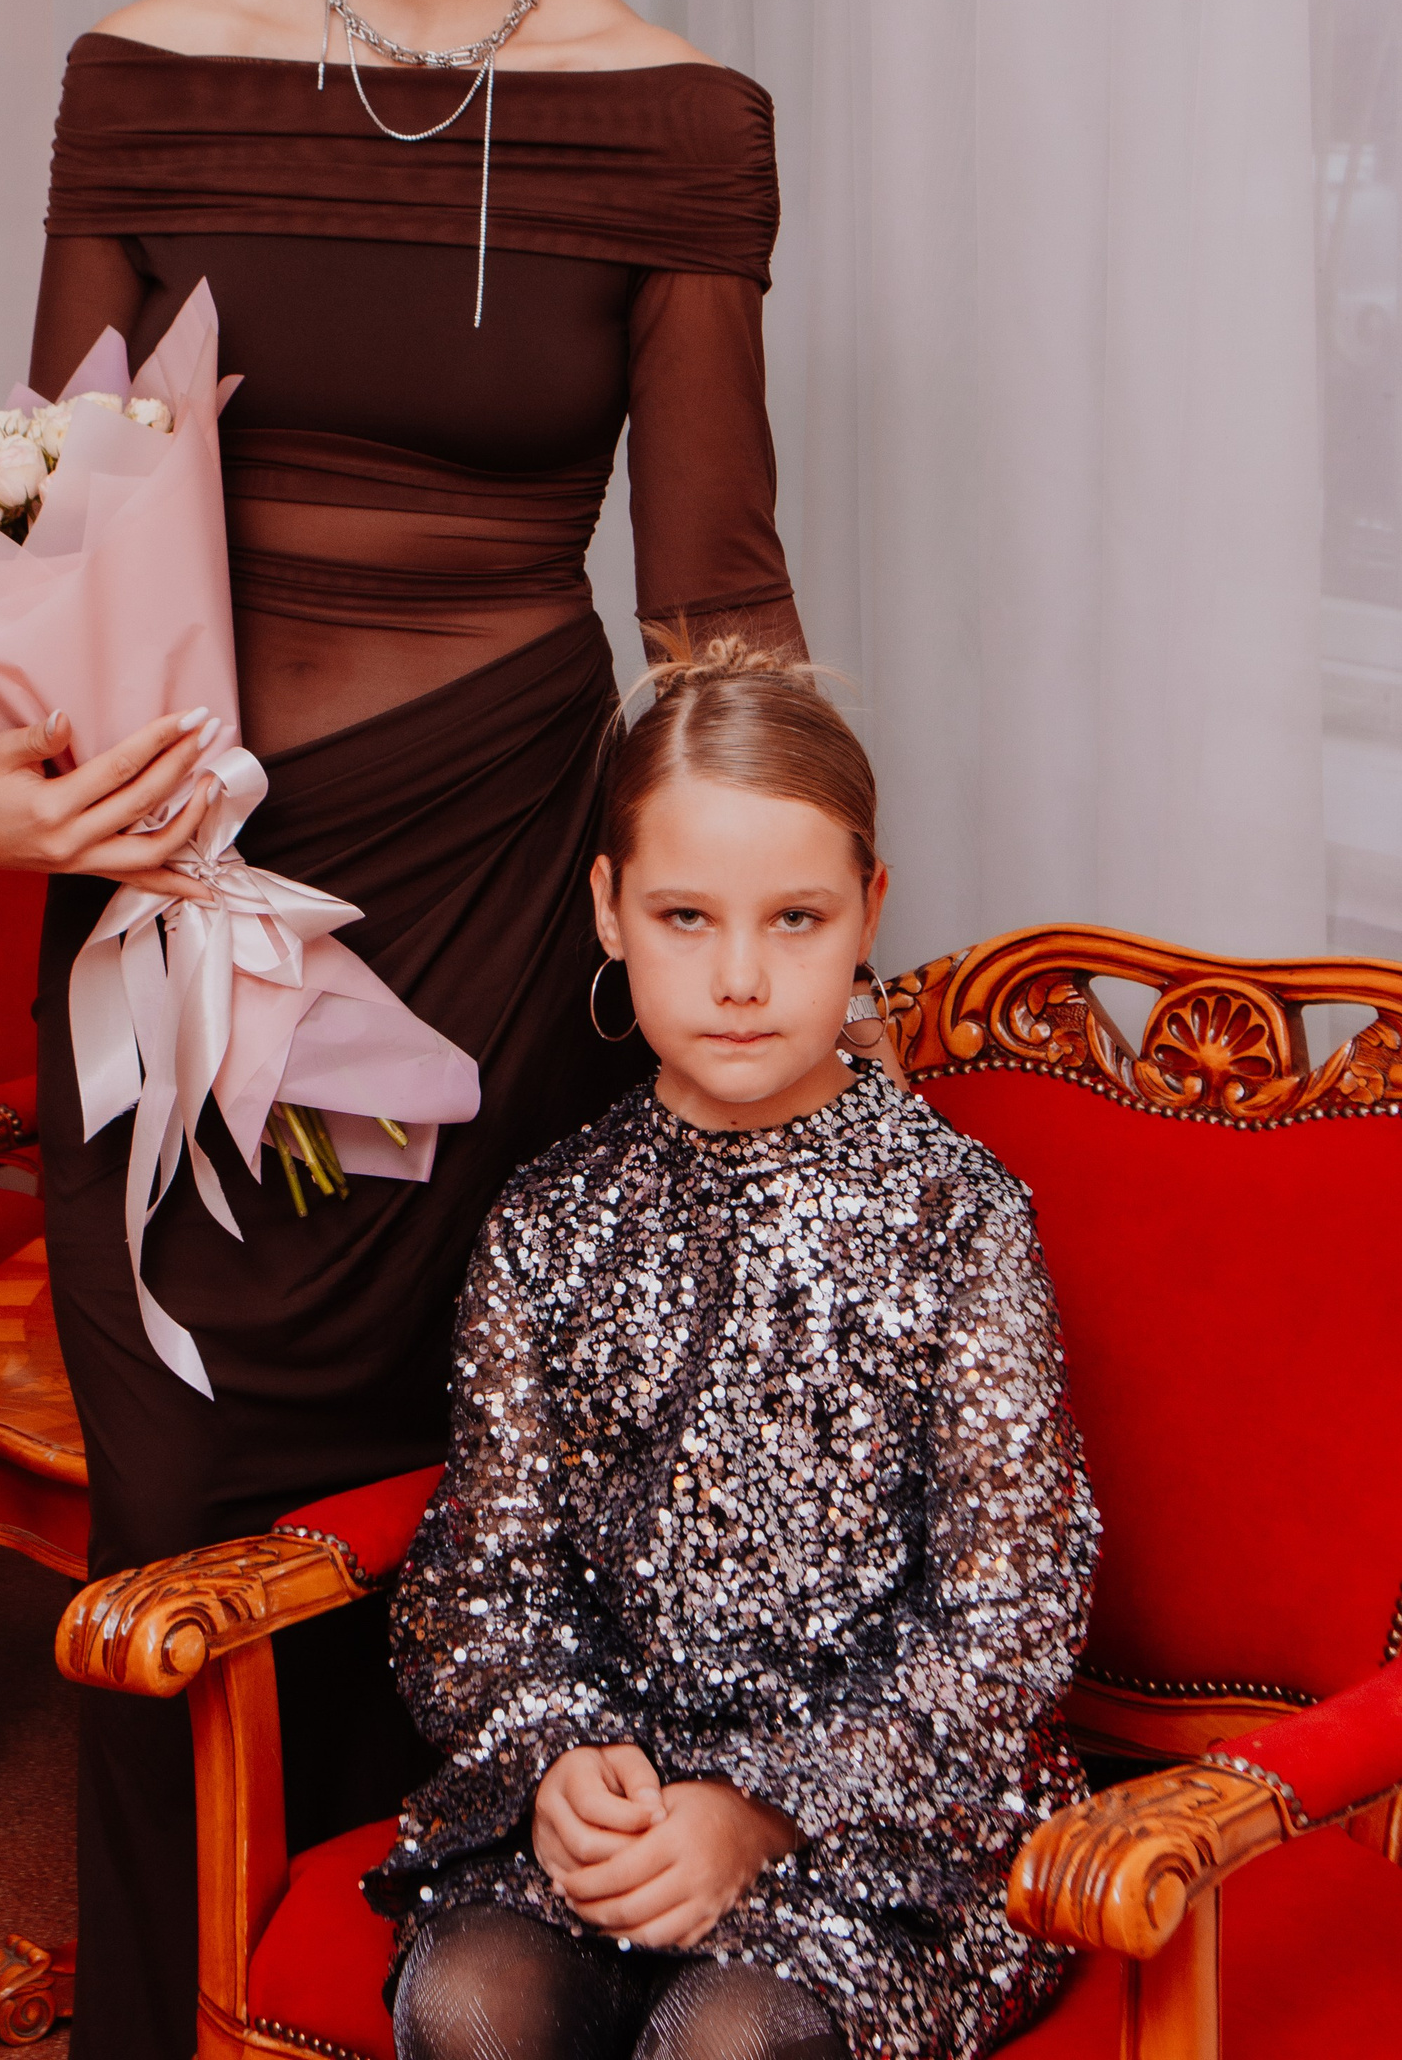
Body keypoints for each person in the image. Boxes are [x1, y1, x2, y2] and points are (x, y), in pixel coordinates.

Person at [0, 0, 804, 2060]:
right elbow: (54, 556)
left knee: (487, 1539)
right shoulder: (144, 80)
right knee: (177, 1535)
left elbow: (718, 613)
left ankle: (440, 2014)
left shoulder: (680, 123)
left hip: (509, 929)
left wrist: (760, 956)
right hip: (174, 924)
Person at [371, 640, 1099, 2060]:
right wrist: (559, 1764)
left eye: (797, 919)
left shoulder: (956, 1220)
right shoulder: (547, 1221)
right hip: (624, 1803)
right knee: (468, 2002)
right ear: (610, 908)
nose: (743, 977)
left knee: (728, 2041)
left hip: (890, 1832)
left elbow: (1008, 1622)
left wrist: (763, 1809)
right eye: (687, 917)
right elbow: (477, 1587)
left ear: (870, 910)